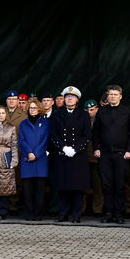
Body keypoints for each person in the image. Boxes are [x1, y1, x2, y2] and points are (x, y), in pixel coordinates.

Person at [92, 85, 130, 224]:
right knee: (106, 185)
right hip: (105, 154)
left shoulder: (127, 111)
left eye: (115, 94)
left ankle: (119, 214)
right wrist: (96, 148)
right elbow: (96, 131)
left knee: (120, 185)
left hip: (121, 154)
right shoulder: (102, 111)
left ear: (120, 96)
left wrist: (129, 150)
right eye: (110, 94)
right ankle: (108, 213)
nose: (112, 96)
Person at [48, 86, 90, 223]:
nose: (69, 99)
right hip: (62, 154)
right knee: (63, 186)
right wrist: (63, 147)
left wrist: (75, 149)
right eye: (67, 97)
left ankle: (76, 215)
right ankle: (63, 213)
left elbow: (86, 135)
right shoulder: (57, 114)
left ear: (77, 100)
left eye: (72, 97)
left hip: (78, 156)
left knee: (77, 187)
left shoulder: (83, 115)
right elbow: (53, 134)